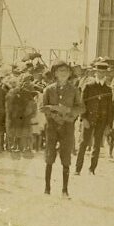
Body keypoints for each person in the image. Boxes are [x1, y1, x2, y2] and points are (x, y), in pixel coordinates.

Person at [40, 61, 84, 196]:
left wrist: (68, 111)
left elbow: (81, 107)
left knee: (66, 157)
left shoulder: (74, 90)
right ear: (55, 73)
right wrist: (53, 112)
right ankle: (47, 188)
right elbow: (42, 107)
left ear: (70, 73)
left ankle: (65, 190)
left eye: (66, 71)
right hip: (52, 126)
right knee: (49, 156)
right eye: (60, 71)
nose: (63, 73)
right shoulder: (48, 89)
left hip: (67, 126)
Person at [76, 61, 114, 176]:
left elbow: (110, 109)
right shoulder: (88, 86)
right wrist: (83, 118)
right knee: (83, 144)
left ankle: (92, 169)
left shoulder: (108, 89)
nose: (101, 74)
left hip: (101, 121)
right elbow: (81, 104)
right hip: (88, 119)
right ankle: (78, 169)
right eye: (99, 72)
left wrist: (108, 125)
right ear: (95, 72)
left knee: (97, 145)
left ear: (106, 73)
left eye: (103, 72)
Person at [5, 74, 38, 158]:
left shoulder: (29, 92)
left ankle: (27, 148)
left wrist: (31, 112)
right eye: (25, 81)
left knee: (26, 131)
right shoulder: (14, 91)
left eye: (29, 81)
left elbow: (32, 103)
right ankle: (15, 147)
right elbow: (10, 102)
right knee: (16, 131)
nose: (27, 83)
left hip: (26, 115)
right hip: (16, 115)